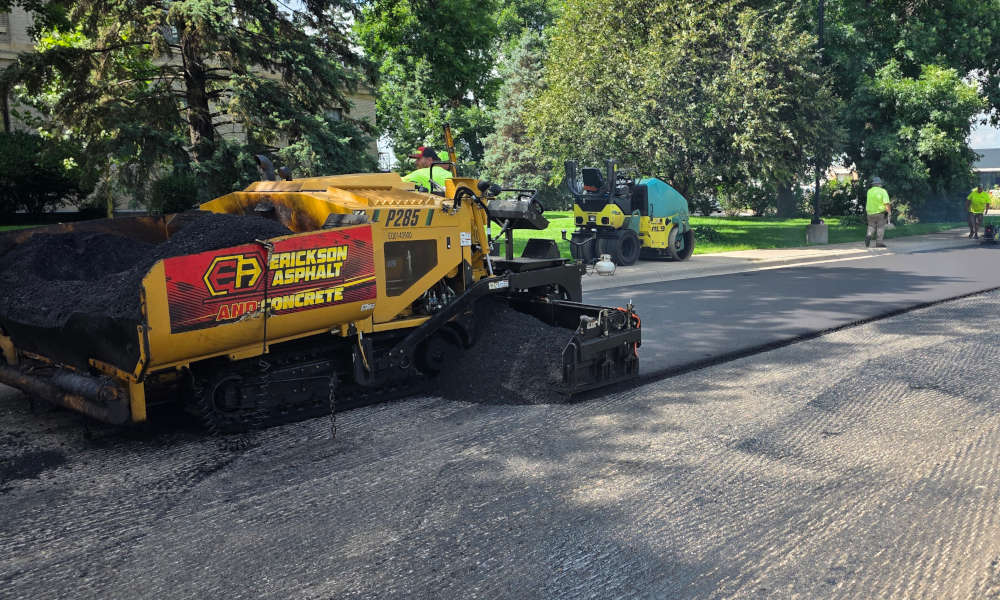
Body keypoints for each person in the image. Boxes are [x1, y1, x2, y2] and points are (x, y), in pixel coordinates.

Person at [865, 176, 891, 248]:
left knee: (871, 226)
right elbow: (886, 203)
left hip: (870, 213)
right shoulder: (883, 191)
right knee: (880, 227)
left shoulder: (869, 191)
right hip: (880, 213)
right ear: (879, 184)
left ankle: (869, 235)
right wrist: (889, 212)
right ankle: (879, 243)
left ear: (873, 184)